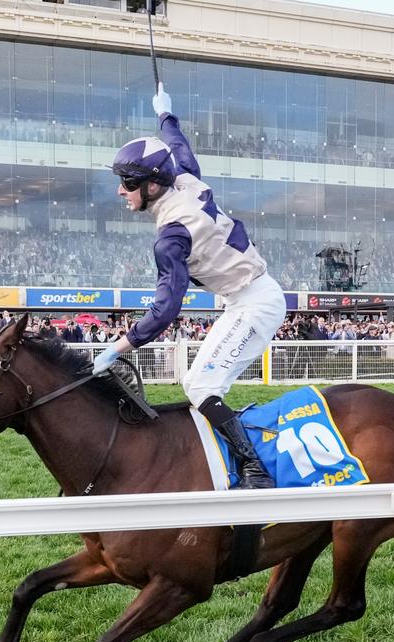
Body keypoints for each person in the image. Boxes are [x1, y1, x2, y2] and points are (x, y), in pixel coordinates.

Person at [91, 83, 286, 490]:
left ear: (152, 186)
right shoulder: (185, 177)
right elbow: (176, 143)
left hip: (255, 303)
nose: (120, 191)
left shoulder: (171, 236)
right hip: (245, 298)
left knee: (200, 385)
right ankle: (225, 459)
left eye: (127, 183)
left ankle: (256, 471)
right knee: (204, 387)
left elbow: (166, 309)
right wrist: (165, 114)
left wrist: (118, 348)